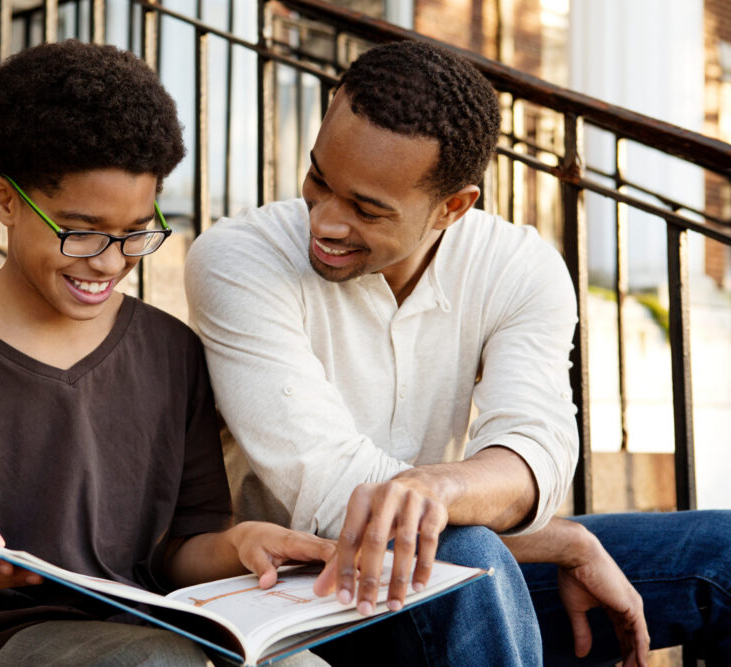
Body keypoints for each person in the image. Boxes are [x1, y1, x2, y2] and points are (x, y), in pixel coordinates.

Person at [186, 40, 731, 666]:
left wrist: (440, 486)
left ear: (453, 208)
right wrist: (562, 543)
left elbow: (535, 450)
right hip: (297, 595)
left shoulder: (518, 268)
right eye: (318, 178)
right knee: (472, 553)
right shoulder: (238, 261)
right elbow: (337, 496)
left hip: (455, 578)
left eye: (366, 208)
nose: (326, 222)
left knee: (723, 553)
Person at [0, 40, 335, 666]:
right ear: (4, 200)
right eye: (82, 231)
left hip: (156, 630)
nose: (110, 261)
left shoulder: (172, 353)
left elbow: (178, 549)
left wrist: (242, 544)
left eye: (135, 233)